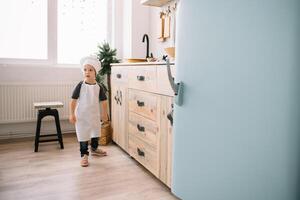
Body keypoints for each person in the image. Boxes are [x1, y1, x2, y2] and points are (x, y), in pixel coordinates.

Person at [69, 56, 109, 167]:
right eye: (85, 69)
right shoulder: (80, 85)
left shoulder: (99, 87)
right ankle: (84, 155)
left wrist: (104, 114)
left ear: (95, 72)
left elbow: (104, 102)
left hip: (94, 115)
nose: (87, 72)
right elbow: (73, 101)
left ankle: (94, 149)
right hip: (81, 116)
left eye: (90, 70)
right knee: (83, 135)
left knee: (95, 132)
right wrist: (72, 114)